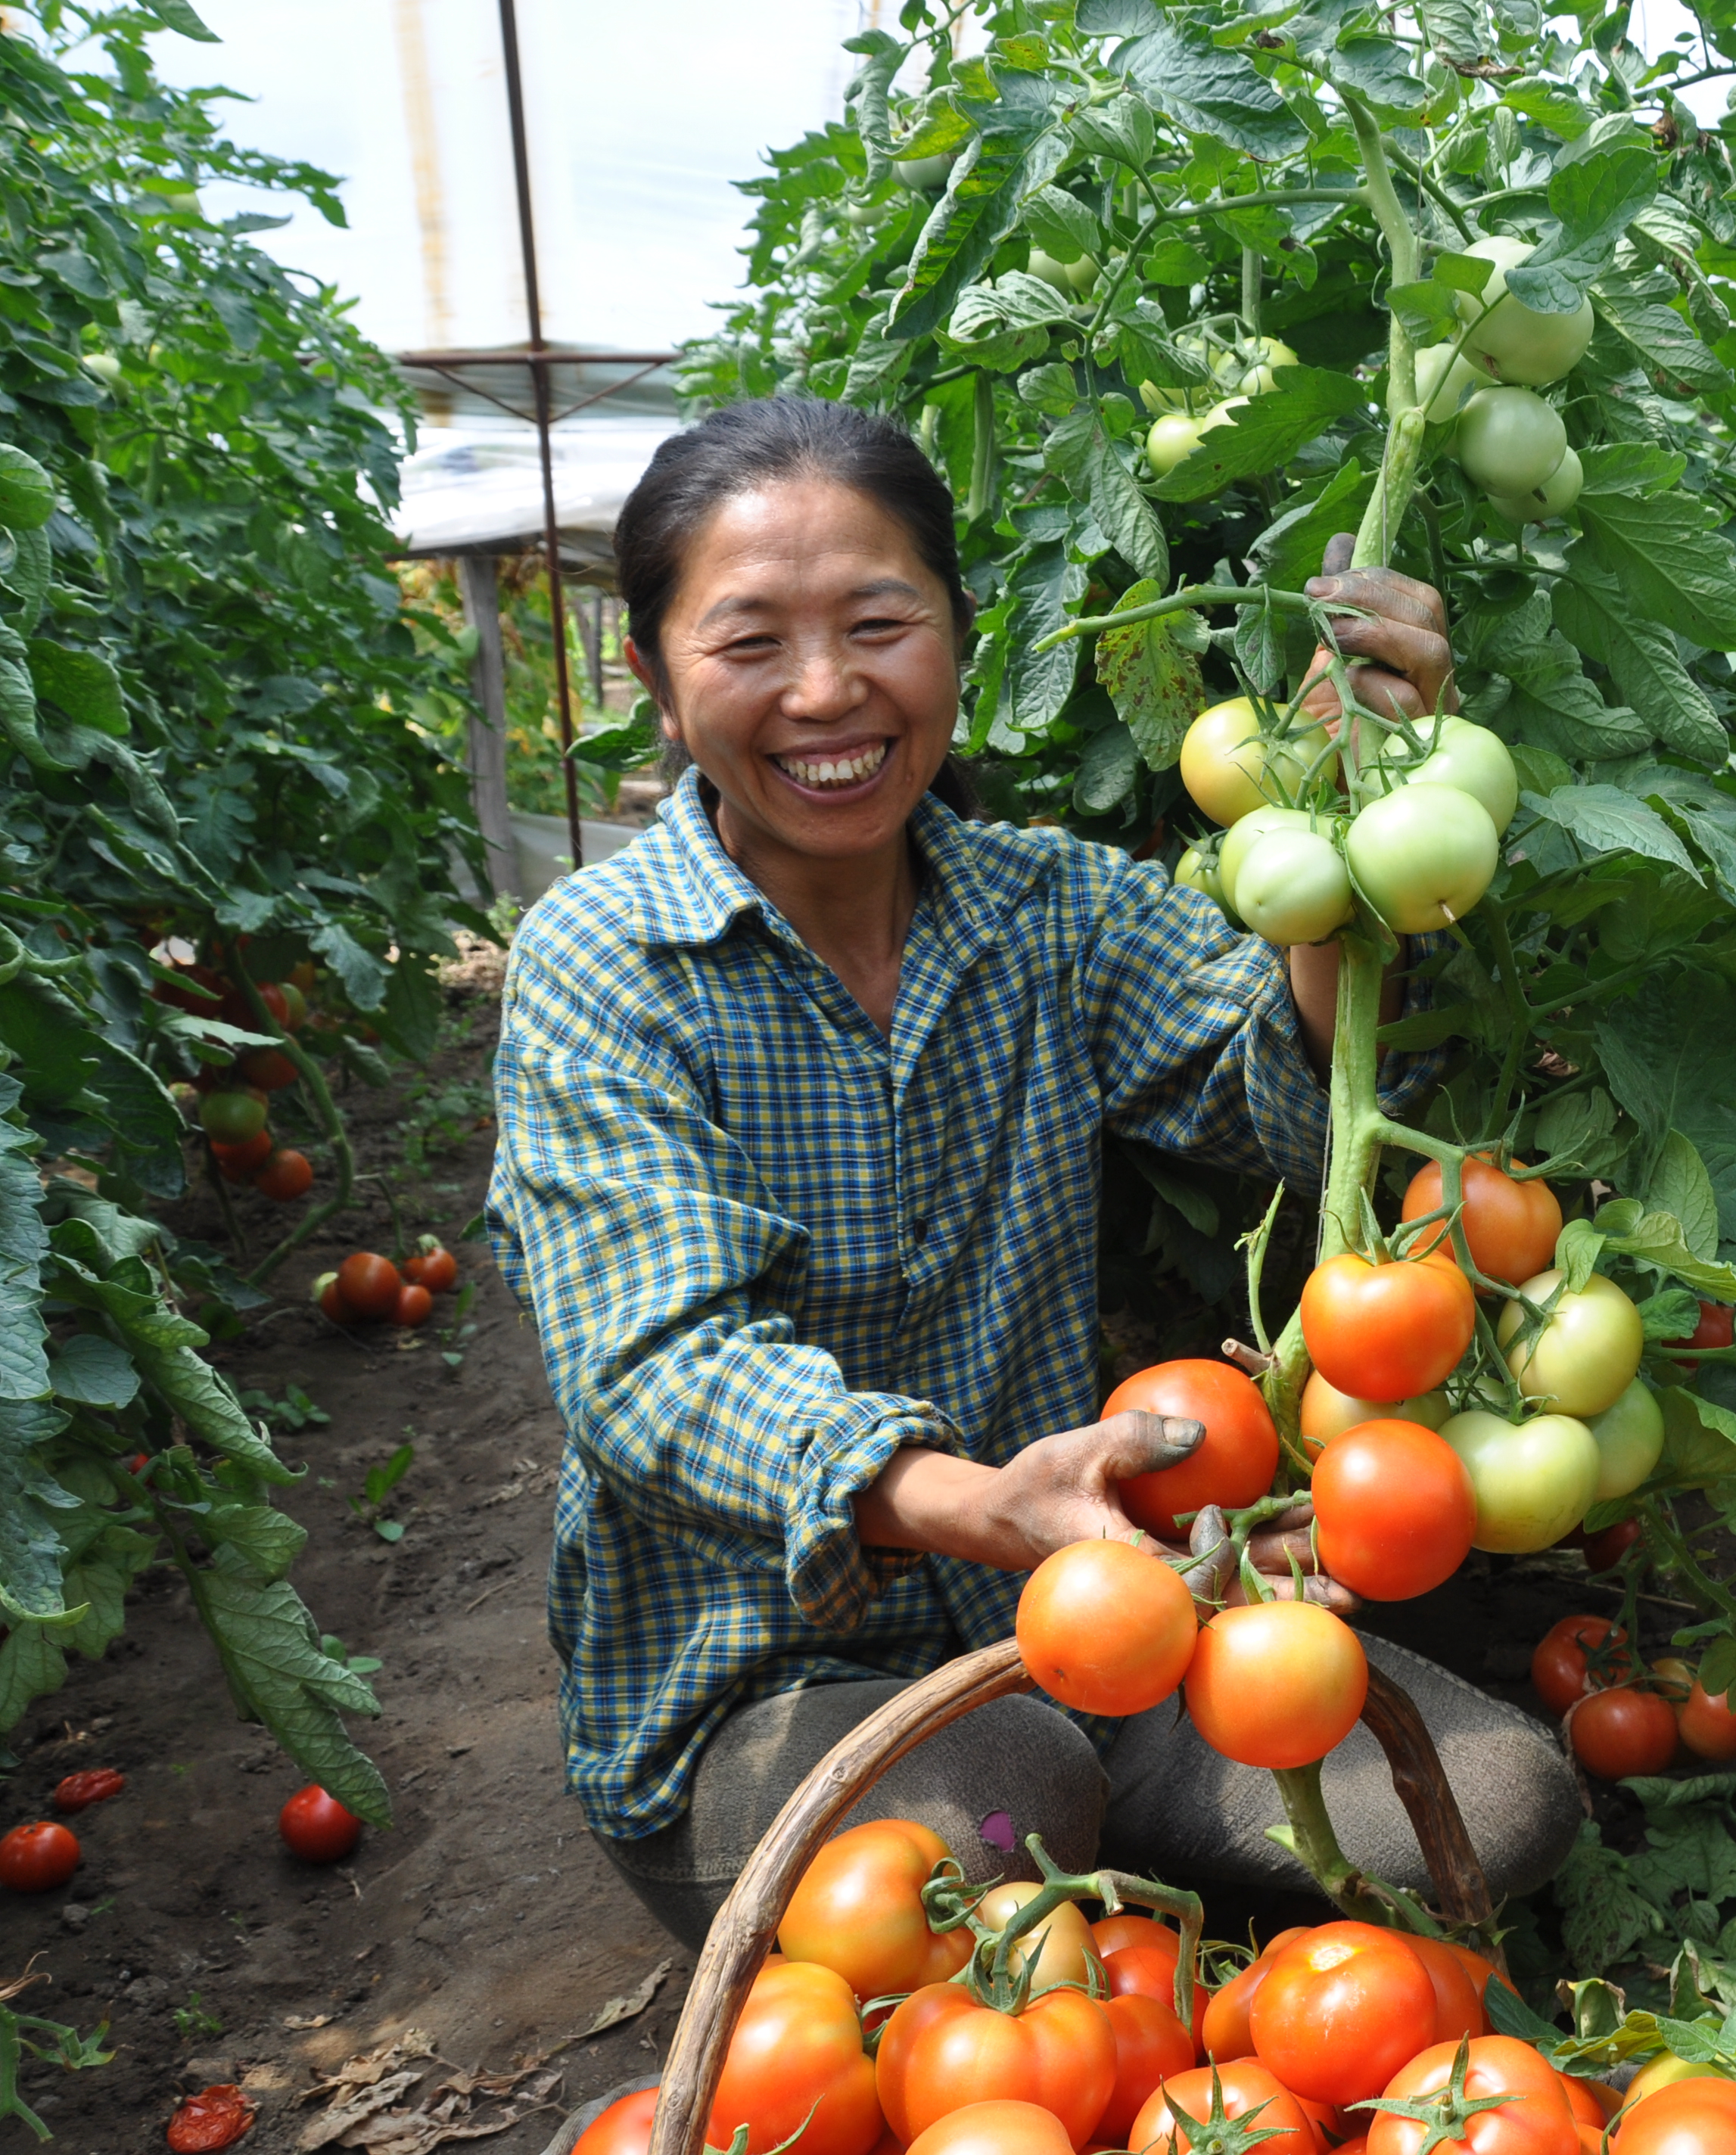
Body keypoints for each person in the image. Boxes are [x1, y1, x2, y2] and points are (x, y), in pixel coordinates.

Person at [487, 396, 1579, 1943]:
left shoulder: (1049, 907)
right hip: (755, 1689)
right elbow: (656, 1367)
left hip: (1097, 1611)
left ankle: (1124, 1929)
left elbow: (1268, 1101)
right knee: (1010, 1786)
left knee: (1497, 1797)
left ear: (952, 637)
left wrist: (1360, 825)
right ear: (659, 687)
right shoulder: (606, 963)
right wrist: (975, 1499)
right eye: (746, 644)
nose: (824, 690)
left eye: (880, 622)